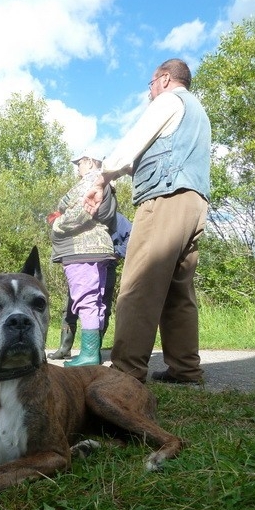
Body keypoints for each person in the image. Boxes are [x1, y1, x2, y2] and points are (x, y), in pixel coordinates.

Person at [84, 58, 211, 384]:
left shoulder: (169, 100)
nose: (149, 93)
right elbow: (147, 157)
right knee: (177, 292)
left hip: (166, 200)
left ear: (165, 79)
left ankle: (126, 371)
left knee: (139, 283)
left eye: (150, 85)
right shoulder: (198, 113)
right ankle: (185, 368)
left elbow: (129, 148)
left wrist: (101, 178)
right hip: (195, 203)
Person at [48, 147, 116, 367]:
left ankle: (88, 356)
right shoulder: (107, 183)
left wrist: (57, 224)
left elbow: (83, 210)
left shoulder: (91, 181)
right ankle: (92, 352)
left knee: (85, 300)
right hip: (100, 248)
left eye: (79, 163)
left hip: (81, 250)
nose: (77, 167)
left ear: (89, 161)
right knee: (96, 301)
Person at [48, 211, 132, 360]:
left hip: (106, 266)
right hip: (79, 264)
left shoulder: (113, 217)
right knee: (69, 307)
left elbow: (131, 235)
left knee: (102, 308)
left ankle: (93, 351)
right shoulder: (78, 213)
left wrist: (117, 253)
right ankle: (64, 348)